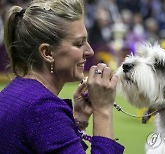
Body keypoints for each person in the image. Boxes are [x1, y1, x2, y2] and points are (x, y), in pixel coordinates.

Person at [0, 0, 124, 153]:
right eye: (79, 44)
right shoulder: (43, 108)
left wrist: (78, 121)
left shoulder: (14, 93)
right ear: (48, 53)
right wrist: (103, 110)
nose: (90, 51)